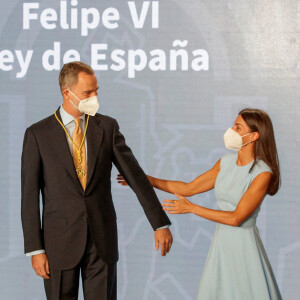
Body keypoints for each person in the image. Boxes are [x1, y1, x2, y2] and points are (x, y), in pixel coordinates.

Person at [21, 61, 173, 300]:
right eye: (88, 92)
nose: (95, 96)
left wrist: (159, 223)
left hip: (101, 242)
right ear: (67, 94)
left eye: (96, 90)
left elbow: (136, 176)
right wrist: (35, 249)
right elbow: (29, 197)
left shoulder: (107, 127)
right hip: (58, 244)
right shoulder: (37, 134)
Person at [118, 108, 282, 299]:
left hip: (244, 247)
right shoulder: (225, 163)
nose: (231, 130)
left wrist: (192, 208)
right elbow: (188, 188)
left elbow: (236, 218)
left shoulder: (262, 173)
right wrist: (144, 180)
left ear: (254, 136)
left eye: (238, 127)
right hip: (222, 243)